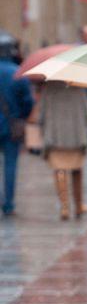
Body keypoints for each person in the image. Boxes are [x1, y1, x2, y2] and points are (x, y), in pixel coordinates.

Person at [40, 81, 87, 220]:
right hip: (76, 136)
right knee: (77, 169)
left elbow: (42, 115)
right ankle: (78, 205)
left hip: (55, 137)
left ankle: (64, 207)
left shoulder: (49, 88)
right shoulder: (78, 88)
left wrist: (43, 131)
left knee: (59, 169)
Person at [0, 32, 33, 216]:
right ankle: (8, 203)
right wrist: (22, 116)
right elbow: (27, 101)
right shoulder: (18, 73)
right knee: (10, 164)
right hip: (12, 125)